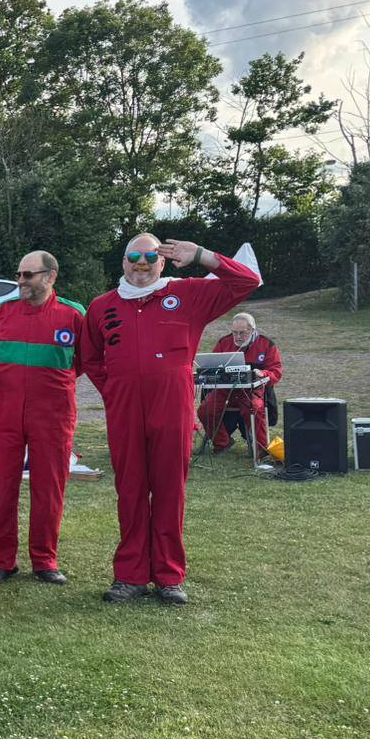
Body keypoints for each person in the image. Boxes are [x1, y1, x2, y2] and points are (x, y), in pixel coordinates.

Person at [81, 236, 261, 605]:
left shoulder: (188, 294)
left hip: (172, 408)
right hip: (125, 410)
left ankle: (168, 575)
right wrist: (115, 391)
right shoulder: (102, 307)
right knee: (130, 491)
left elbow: (247, 281)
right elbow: (91, 357)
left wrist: (200, 256)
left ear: (162, 263)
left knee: (169, 491)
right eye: (135, 256)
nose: (142, 263)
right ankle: (130, 575)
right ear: (124, 262)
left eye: (150, 256)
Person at [0, 251, 86, 587]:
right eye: (19, 274)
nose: (21, 281)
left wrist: (54, 386)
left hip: (53, 415)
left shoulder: (73, 314)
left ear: (50, 276)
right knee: (2, 488)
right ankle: (0, 562)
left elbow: (88, 359)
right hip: (5, 413)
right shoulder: (3, 313)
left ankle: (45, 560)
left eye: (28, 275)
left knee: (49, 488)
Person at [197, 312, 282, 455]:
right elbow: (212, 367)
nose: (237, 337)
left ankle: (260, 450)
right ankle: (222, 443)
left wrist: (264, 374)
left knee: (254, 408)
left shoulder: (266, 344)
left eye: (242, 333)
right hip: (225, 389)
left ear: (253, 330)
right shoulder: (224, 342)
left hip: (251, 390)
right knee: (205, 410)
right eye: (234, 333)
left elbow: (276, 372)